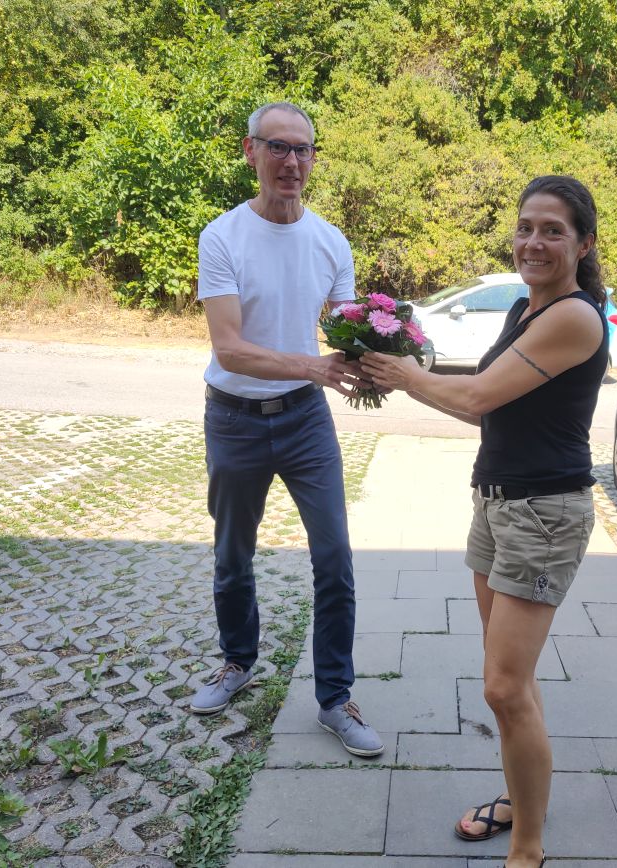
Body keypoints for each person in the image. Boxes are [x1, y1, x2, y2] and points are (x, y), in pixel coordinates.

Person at [361, 175, 609, 868]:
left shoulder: (575, 317)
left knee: (502, 687)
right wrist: (398, 377)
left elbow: (473, 396)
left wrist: (402, 372)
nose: (534, 241)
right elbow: (483, 407)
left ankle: (527, 849)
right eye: (525, 227)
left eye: (553, 230)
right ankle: (521, 801)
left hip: (544, 515)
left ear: (584, 244)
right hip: (498, 504)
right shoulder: (526, 309)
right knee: (513, 684)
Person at [192, 101, 384, 758]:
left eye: (302, 149)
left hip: (305, 420)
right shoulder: (222, 237)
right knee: (232, 555)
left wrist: (384, 356)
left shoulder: (331, 242)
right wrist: (313, 365)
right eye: (277, 147)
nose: (291, 162)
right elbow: (229, 350)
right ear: (251, 151)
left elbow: (349, 330)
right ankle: (237, 663)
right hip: (235, 420)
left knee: (334, 558)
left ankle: (335, 698)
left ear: (313, 158)